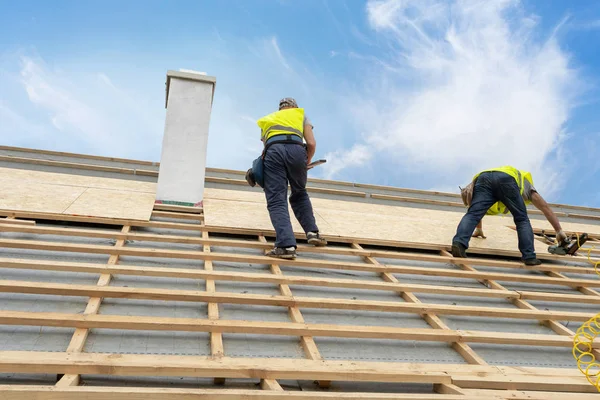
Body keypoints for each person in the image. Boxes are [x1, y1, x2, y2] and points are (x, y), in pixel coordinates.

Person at [451, 166, 566, 265]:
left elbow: (474, 211)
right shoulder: (526, 185)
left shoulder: (488, 178)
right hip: (506, 180)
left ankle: (459, 244)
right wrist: (559, 231)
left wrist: (479, 228)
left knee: (472, 214)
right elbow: (545, 207)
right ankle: (529, 256)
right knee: (522, 219)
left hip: (482, 178)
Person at [257, 97, 327, 259]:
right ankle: (312, 233)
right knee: (299, 193)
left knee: (277, 199)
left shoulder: (268, 119)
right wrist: (306, 160)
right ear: (295, 106)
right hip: (297, 151)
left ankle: (286, 246)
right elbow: (311, 143)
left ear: (280, 108)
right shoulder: (301, 115)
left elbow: (266, 147)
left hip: (273, 151)